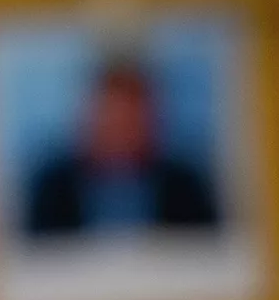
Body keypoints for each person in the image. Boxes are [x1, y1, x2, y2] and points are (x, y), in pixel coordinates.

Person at [24, 61, 219, 237]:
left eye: (131, 121)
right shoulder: (52, 186)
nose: (121, 132)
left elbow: (211, 250)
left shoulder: (185, 185)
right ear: (89, 119)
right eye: (112, 119)